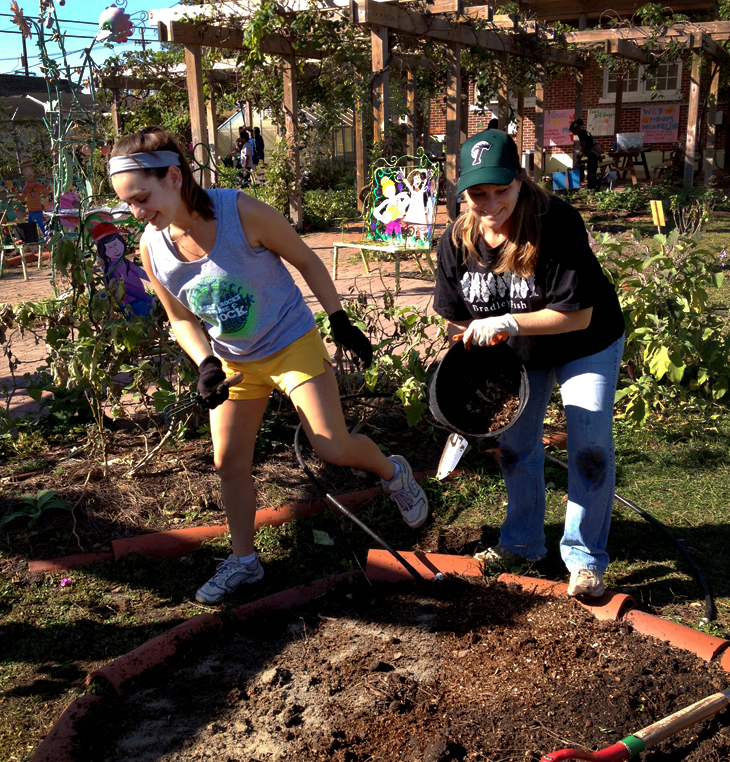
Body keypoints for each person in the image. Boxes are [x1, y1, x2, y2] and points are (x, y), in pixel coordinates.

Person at [108, 127, 428, 604]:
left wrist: (339, 321)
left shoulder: (241, 212)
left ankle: (393, 473)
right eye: (128, 204)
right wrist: (205, 364)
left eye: (142, 197)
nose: (137, 212)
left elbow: (307, 260)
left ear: (174, 176)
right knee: (228, 461)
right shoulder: (152, 247)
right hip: (235, 362)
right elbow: (179, 317)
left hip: (290, 341)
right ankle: (244, 561)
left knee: (331, 445)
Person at [433, 129, 625, 598]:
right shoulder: (455, 244)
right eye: (479, 193)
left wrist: (509, 323)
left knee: (589, 446)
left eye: (502, 190)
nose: (492, 203)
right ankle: (522, 541)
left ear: (520, 180)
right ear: (463, 193)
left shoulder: (554, 222)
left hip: (585, 342)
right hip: (519, 355)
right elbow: (457, 319)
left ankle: (583, 559)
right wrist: (473, 349)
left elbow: (577, 315)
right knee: (517, 448)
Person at [569, 119, 601, 190]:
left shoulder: (583, 135)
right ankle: (593, 186)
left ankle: (592, 187)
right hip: (593, 154)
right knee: (591, 170)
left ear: (577, 128)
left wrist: (578, 160)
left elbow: (583, 147)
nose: (572, 132)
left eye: (573, 130)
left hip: (593, 155)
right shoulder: (584, 133)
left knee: (591, 172)